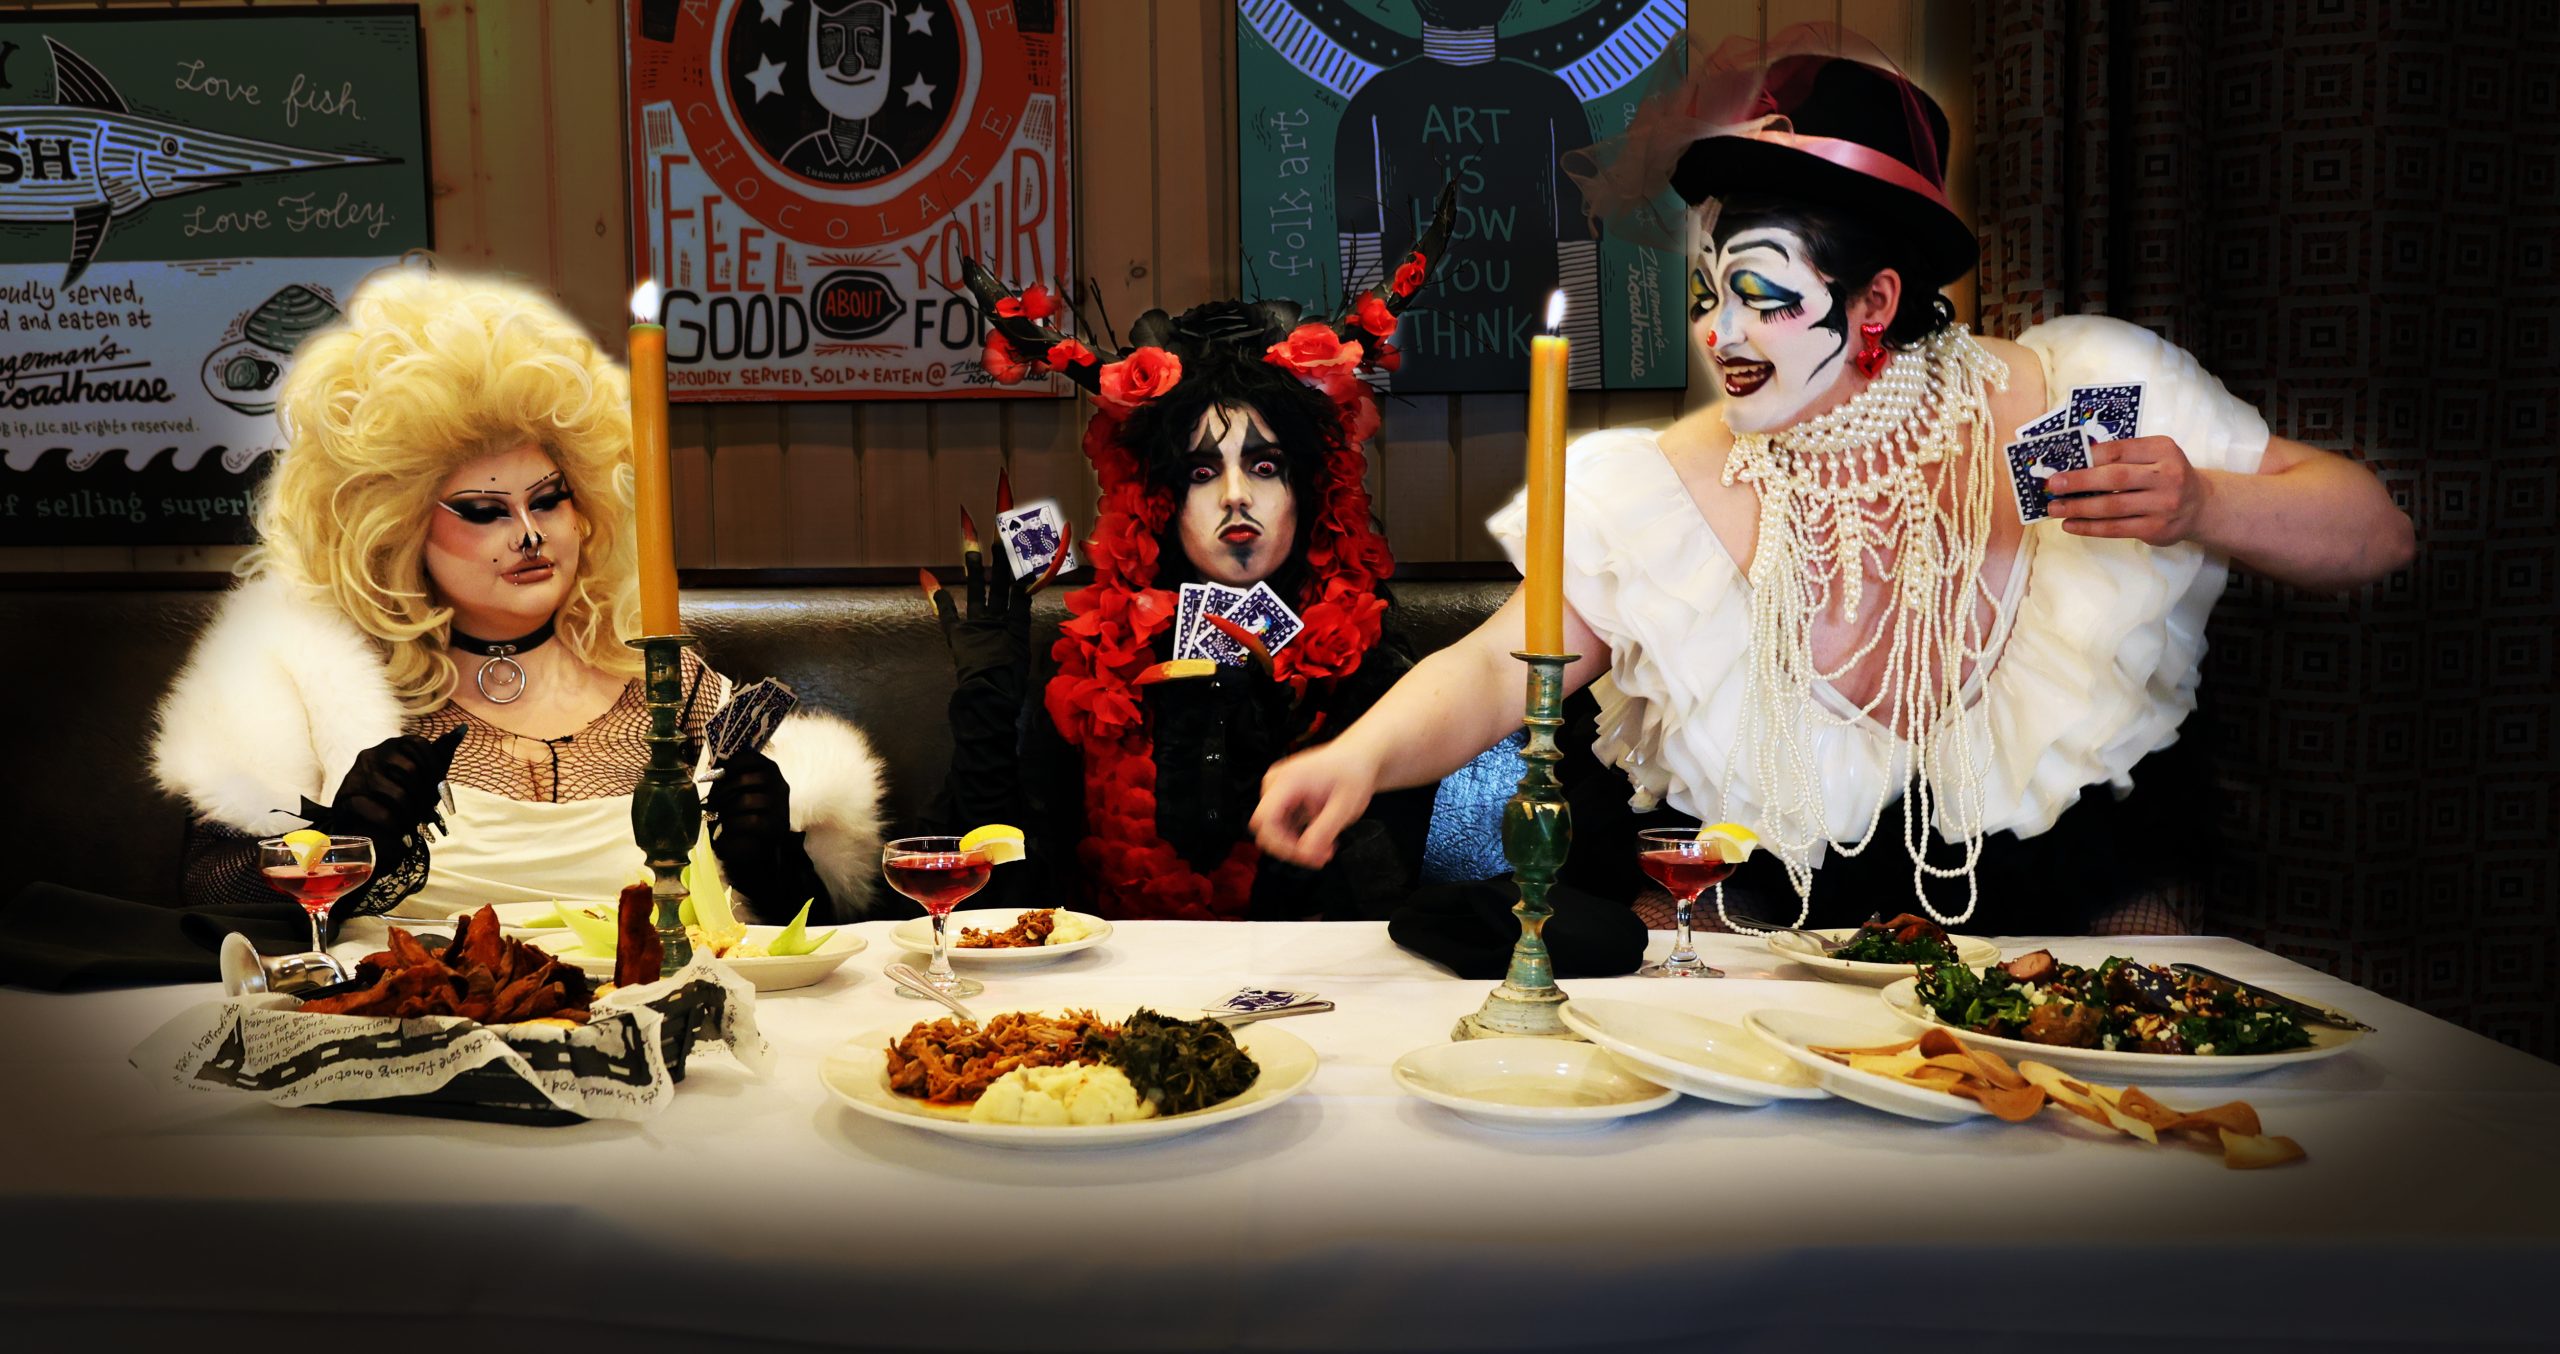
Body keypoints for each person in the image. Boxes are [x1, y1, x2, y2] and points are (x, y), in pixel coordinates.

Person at [1252, 39, 2416, 937]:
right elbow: (1494, 664)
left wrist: (2207, 504)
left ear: (1873, 303)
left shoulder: (2074, 394)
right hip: (1786, 984)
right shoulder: (1671, 490)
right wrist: (1355, 757)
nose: (1720, 331)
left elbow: (2375, 531)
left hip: (2086, 954)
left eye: (1764, 293)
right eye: (1710, 291)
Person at [151, 267, 887, 929]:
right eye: (484, 510)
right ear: (399, 531)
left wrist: (773, 866)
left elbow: (810, 930)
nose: (531, 534)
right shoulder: (319, 690)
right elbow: (206, 893)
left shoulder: (670, 684)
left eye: (549, 500)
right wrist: (344, 843)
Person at [919, 206, 1458, 921]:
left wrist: (1283, 751)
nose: (1236, 497)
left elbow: (1374, 920)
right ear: (1160, 499)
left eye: (1264, 465)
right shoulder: (1090, 669)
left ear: (1311, 487)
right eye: (1202, 473)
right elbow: (1003, 905)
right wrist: (989, 709)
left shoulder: (1368, 666)